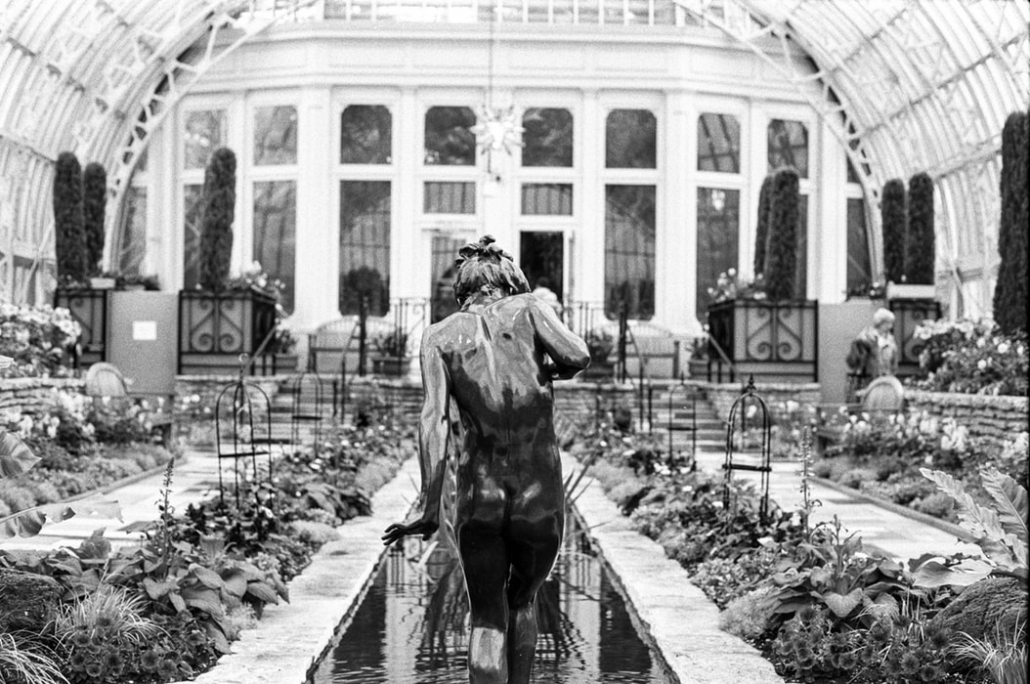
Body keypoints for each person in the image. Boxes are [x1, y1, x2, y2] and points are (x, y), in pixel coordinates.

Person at [382, 235, 590, 684]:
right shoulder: (530, 309)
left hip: (479, 495)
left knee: (487, 619)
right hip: (539, 497)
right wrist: (550, 371)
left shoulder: (438, 336)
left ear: (463, 291)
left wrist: (426, 505)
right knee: (522, 601)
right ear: (507, 283)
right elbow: (578, 355)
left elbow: (432, 421)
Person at [845, 307, 898, 401]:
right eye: (889, 322)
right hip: (866, 380)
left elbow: (893, 361)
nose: (891, 326)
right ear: (882, 322)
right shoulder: (865, 337)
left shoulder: (890, 339)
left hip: (885, 380)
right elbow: (853, 361)